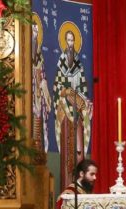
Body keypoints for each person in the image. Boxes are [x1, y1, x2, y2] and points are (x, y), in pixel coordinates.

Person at [53, 28, 92, 190]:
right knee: (67, 150)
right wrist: (66, 92)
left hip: (77, 112)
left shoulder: (78, 64)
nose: (70, 44)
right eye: (68, 40)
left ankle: (79, 184)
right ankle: (67, 185)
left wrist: (84, 101)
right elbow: (57, 88)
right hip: (65, 112)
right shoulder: (61, 62)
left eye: (72, 41)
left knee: (78, 148)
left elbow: (83, 87)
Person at [31, 17, 51, 155]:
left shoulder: (39, 56)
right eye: (33, 30)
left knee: (38, 124)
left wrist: (43, 86)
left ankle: (38, 152)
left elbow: (42, 74)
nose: (35, 34)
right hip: (29, 96)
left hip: (38, 95)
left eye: (37, 31)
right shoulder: (25, 54)